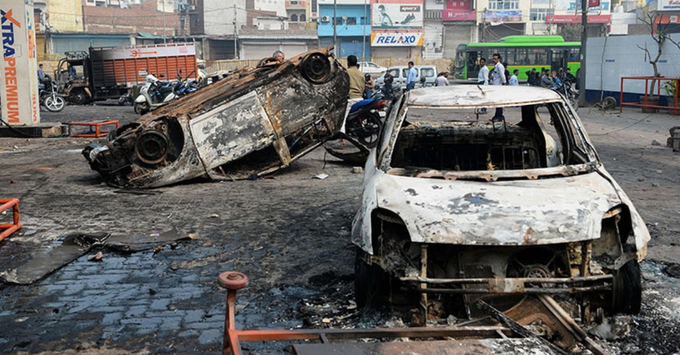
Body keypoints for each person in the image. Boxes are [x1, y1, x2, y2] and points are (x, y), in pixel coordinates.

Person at [341, 55, 366, 133]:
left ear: (348, 62)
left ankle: (342, 135)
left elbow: (342, 86)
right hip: (360, 98)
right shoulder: (361, 73)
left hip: (351, 99)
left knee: (341, 119)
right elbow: (363, 87)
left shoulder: (346, 72)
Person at [490, 53, 506, 120]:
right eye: (493, 58)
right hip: (495, 86)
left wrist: (504, 83)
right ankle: (497, 115)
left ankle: (499, 116)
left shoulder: (500, 66)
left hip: (499, 86)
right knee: (496, 102)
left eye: (495, 59)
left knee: (499, 102)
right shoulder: (496, 66)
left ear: (498, 59)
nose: (494, 60)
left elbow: (502, 76)